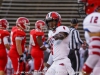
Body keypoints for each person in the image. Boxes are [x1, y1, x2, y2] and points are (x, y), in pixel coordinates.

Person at [78, 0, 100, 75]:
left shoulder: (94, 19)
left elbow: (95, 53)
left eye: (86, 4)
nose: (84, 7)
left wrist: (84, 72)